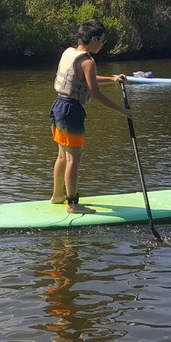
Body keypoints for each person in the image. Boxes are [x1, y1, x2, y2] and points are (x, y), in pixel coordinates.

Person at [50, 19, 131, 214]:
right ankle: (73, 204)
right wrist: (123, 111)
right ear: (94, 39)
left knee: (62, 156)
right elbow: (95, 94)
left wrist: (112, 79)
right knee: (73, 159)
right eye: (102, 40)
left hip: (58, 106)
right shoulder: (88, 61)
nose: (102, 44)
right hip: (71, 111)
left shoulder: (69, 52)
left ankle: (57, 196)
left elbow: (85, 80)